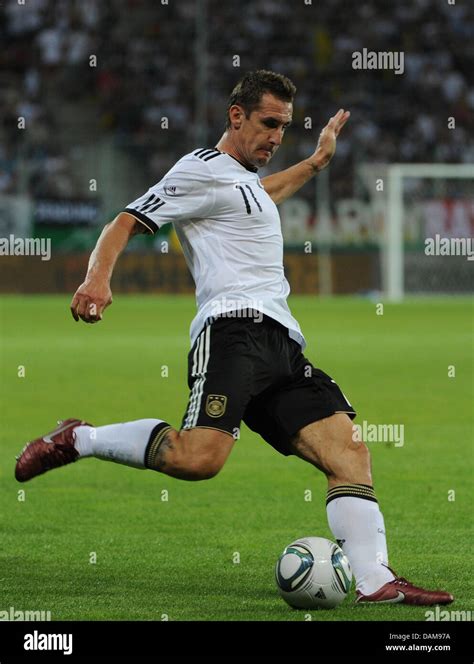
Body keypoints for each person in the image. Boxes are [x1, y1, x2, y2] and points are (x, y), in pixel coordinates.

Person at [15, 70, 452, 605]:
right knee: (197, 460)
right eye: (268, 123)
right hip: (232, 333)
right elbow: (126, 219)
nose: (276, 136)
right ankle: (79, 438)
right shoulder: (199, 169)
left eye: (284, 127)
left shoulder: (244, 182)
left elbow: (265, 193)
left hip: (283, 344)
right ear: (236, 116)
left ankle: (374, 580)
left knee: (350, 453)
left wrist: (315, 163)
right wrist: (96, 277)